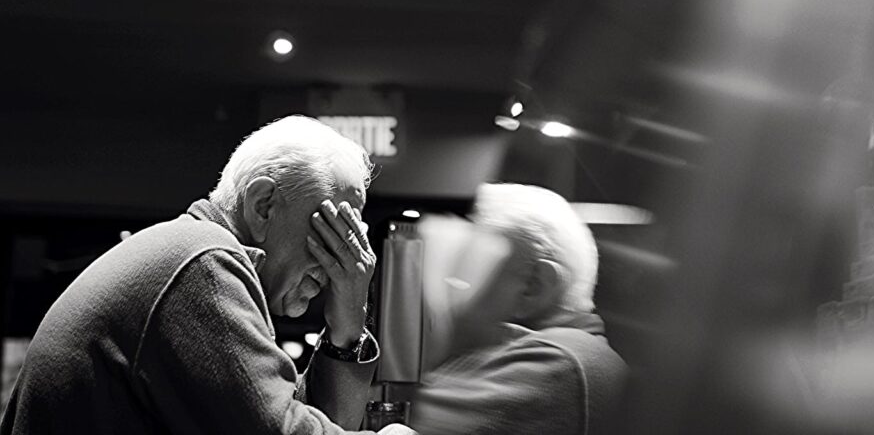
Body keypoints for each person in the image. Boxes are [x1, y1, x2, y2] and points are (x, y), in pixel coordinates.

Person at [1, 115, 414, 435]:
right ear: (264, 204)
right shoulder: (200, 263)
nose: (341, 262)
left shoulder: (194, 253)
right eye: (332, 232)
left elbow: (298, 419)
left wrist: (347, 328)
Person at [411, 183, 627, 435]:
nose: (456, 286)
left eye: (476, 266)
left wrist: (445, 330)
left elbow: (426, 419)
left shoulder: (554, 362)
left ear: (533, 286)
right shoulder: (583, 353)